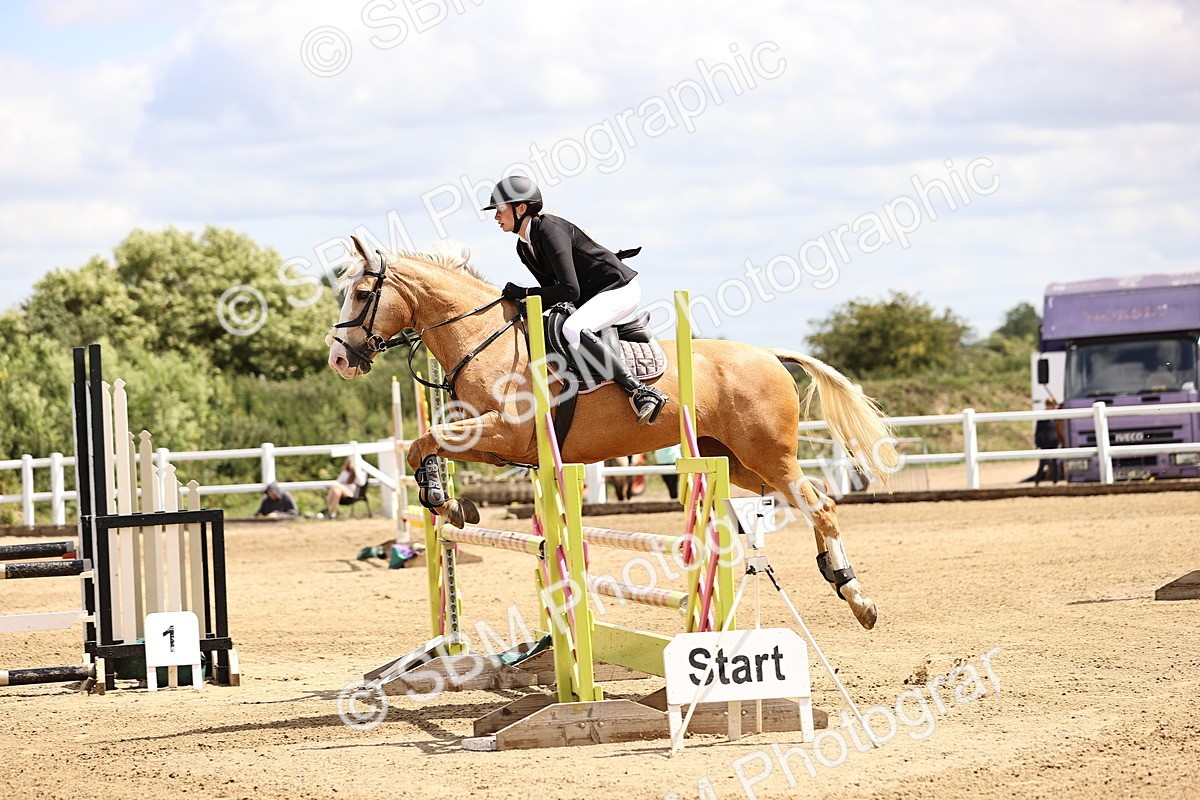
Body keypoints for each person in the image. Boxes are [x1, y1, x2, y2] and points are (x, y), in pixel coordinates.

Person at [483, 176, 668, 424]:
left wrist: (524, 292)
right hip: (593, 296)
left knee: (573, 328)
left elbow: (569, 290)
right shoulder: (524, 247)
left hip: (619, 289)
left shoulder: (549, 229)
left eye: (500, 209)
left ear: (521, 208)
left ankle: (641, 391)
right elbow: (550, 291)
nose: (496, 216)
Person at [1034, 396, 1066, 485]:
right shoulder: (1042, 417)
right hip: (1045, 442)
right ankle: (1037, 481)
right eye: (1049, 405)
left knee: (1055, 463)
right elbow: (1038, 431)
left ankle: (1055, 481)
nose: (1050, 407)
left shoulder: (1057, 417)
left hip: (1054, 441)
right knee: (1042, 464)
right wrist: (1037, 443)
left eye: (1051, 405)